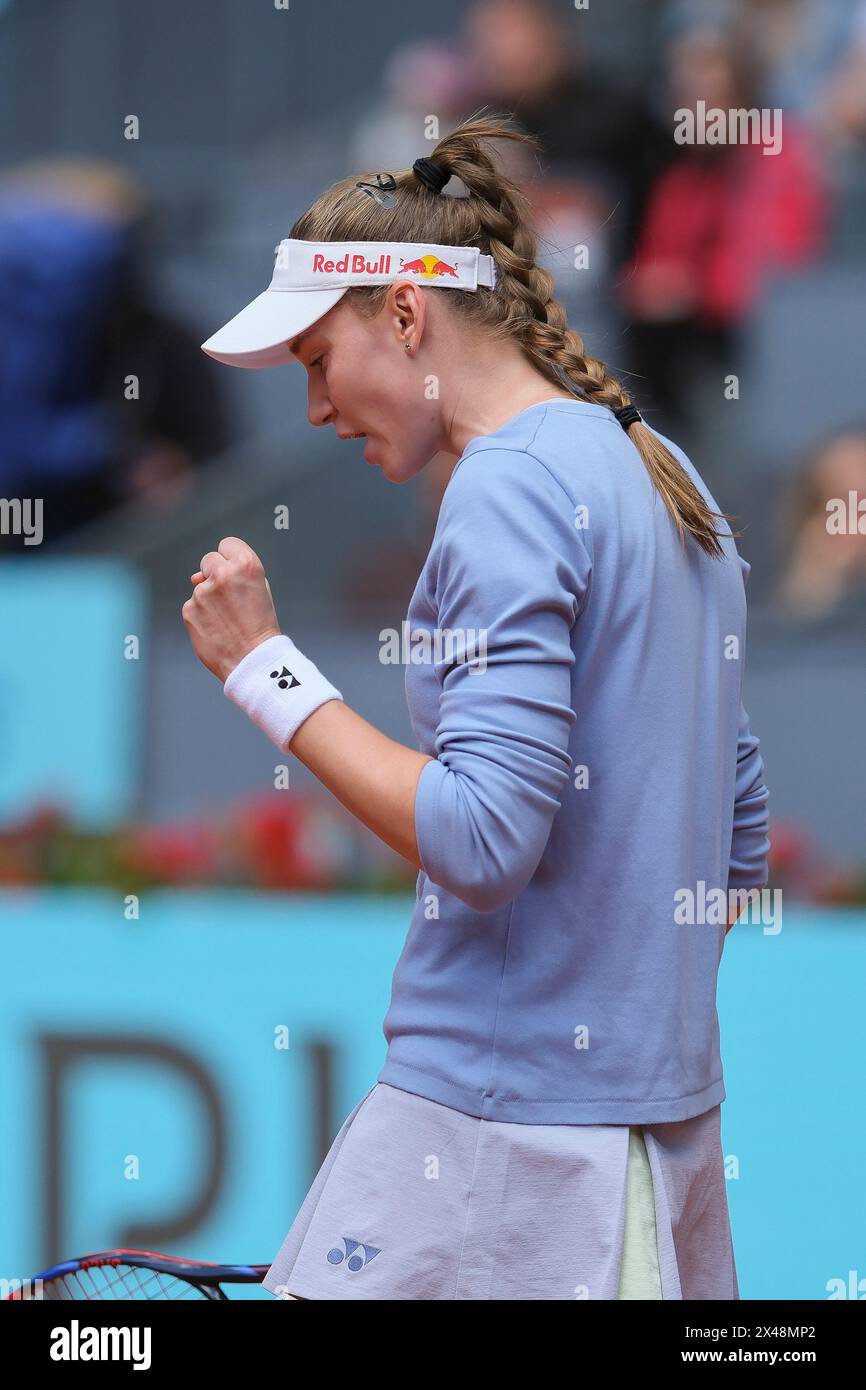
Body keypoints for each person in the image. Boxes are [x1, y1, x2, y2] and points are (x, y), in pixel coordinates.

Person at [184, 115, 770, 1301]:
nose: (310, 410)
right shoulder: (658, 466)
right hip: (640, 1147)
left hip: (504, 1148)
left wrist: (266, 670)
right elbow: (736, 823)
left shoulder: (505, 487)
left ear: (405, 315)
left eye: (313, 360)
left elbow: (481, 838)